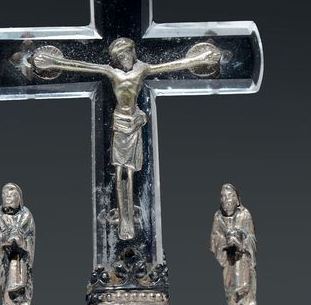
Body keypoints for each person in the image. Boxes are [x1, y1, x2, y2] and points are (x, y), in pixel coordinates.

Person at [32, 36, 220, 239]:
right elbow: (84, 66)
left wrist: (199, 59)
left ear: (133, 53)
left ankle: (128, 220)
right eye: (121, 56)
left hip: (134, 123)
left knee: (130, 172)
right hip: (119, 124)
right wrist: (53, 62)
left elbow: (168, 66)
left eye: (128, 54)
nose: (125, 59)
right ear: (117, 59)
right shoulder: (111, 72)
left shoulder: (142, 69)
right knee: (118, 170)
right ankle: (123, 219)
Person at [210, 183, 256, 305]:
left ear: (237, 199)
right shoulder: (218, 217)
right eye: (223, 196)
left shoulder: (244, 215)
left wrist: (240, 243)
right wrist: (225, 241)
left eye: (230, 196)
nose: (226, 200)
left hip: (242, 259)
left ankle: (244, 303)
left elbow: (251, 237)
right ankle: (233, 304)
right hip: (228, 259)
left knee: (243, 286)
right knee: (230, 286)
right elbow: (214, 238)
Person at [0, 183, 35, 305]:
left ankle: (20, 300)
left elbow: (30, 237)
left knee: (21, 282)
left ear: (18, 198)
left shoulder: (26, 216)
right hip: (7, 259)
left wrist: (21, 241)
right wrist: (4, 238)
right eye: (5, 195)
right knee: (7, 281)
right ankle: (9, 300)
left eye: (11, 195)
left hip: (20, 259)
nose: (7, 197)